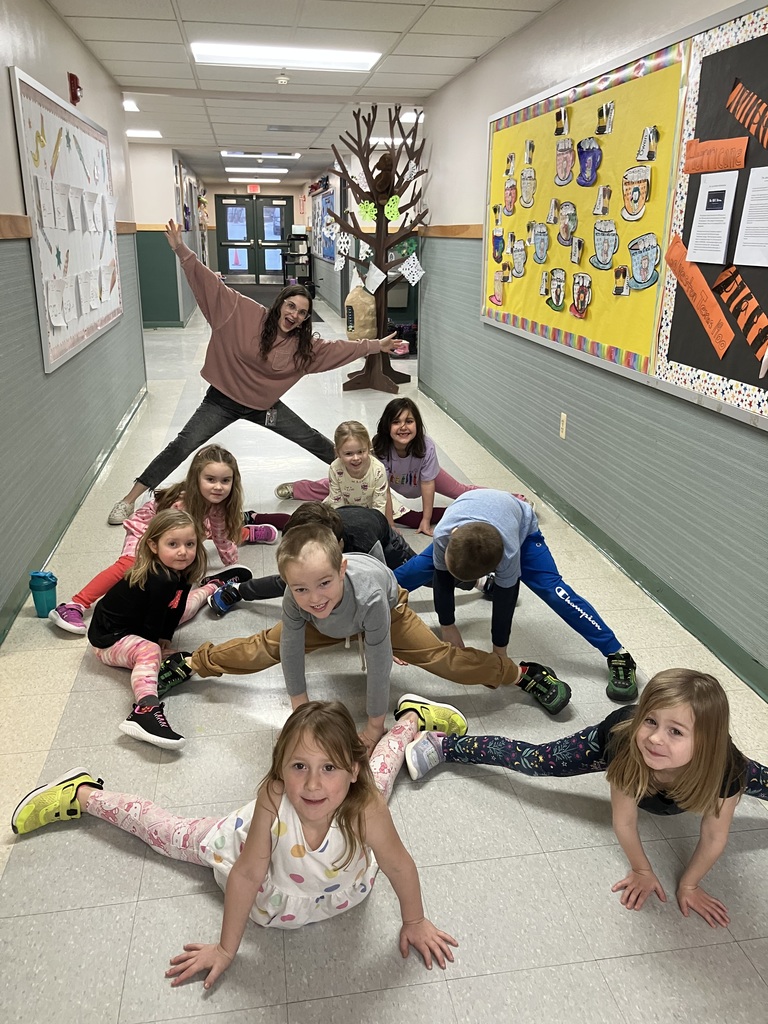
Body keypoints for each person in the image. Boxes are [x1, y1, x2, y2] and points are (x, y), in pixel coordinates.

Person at [11, 700, 460, 987]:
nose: (313, 784)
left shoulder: (365, 806)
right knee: (169, 835)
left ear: (349, 771)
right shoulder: (274, 796)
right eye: (299, 766)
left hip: (346, 878)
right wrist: (227, 949)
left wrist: (415, 920)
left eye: (329, 768)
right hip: (247, 848)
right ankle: (83, 793)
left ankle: (411, 718)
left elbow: (398, 863)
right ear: (280, 769)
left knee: (382, 775)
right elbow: (247, 872)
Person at [405, 669, 768, 928]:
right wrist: (642, 869)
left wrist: (689, 884)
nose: (656, 739)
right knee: (536, 762)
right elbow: (625, 820)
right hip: (610, 739)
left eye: (676, 731)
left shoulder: (727, 770)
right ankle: (444, 743)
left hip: (706, 771)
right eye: (651, 721)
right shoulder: (628, 743)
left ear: (707, 742)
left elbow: (714, 836)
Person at [157, 525, 572, 749]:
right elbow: (286, 649)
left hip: (386, 613)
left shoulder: (371, 595)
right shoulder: (298, 595)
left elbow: (378, 662)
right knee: (264, 644)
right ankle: (191, 663)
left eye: (323, 583)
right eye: (301, 588)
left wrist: (374, 726)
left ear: (340, 572)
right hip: (332, 625)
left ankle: (520, 673)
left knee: (444, 659)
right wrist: (299, 706)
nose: (313, 598)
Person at [106, 219, 400, 526]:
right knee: (182, 445)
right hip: (221, 400)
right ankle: (129, 499)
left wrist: (375, 345)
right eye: (290, 306)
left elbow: (339, 349)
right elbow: (209, 286)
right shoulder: (242, 312)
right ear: (280, 303)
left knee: (311, 439)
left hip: (264, 407)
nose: (294, 315)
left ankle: (370, 481)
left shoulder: (304, 348)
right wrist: (181, 249)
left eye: (301, 313)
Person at [394, 489, 638, 702]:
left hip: (520, 527)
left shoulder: (509, 553)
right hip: (469, 521)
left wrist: (499, 652)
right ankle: (365, 607)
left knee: (554, 591)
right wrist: (447, 625)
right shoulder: (444, 537)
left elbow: (505, 600)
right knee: (404, 576)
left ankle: (617, 652)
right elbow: (443, 578)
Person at [49, 445, 255, 636]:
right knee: (130, 565)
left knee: (197, 541)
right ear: (196, 478)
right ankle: (74, 605)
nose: (218, 487)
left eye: (225, 481)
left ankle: (249, 533)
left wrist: (232, 563)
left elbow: (221, 534)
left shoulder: (218, 505)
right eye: (210, 479)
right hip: (146, 530)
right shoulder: (182, 503)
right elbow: (168, 539)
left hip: (179, 531)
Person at [274, 398, 530, 535]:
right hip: (388, 482)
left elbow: (428, 485)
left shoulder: (426, 447)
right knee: (335, 483)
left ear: (417, 424)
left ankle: (510, 499)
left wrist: (426, 521)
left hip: (422, 480)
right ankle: (296, 488)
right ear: (387, 426)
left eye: (409, 421)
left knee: (463, 491)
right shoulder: (379, 448)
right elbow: (380, 489)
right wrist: (389, 523)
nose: (403, 427)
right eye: (396, 422)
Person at [87, 509, 231, 750]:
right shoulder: (159, 577)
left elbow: (175, 608)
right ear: (154, 546)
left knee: (182, 610)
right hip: (109, 640)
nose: (183, 552)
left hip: (137, 622)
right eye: (172, 544)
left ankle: (212, 587)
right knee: (149, 649)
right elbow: (152, 621)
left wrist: (167, 635)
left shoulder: (182, 570)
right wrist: (157, 644)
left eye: (189, 544)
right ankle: (145, 710)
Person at [209, 501, 416, 614]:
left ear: (337, 544)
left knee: (418, 575)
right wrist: (240, 590)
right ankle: (237, 590)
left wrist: (390, 634)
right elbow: (287, 582)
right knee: (306, 580)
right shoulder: (308, 526)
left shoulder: (364, 543)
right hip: (347, 524)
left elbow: (382, 585)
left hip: (385, 542)